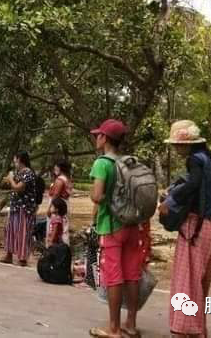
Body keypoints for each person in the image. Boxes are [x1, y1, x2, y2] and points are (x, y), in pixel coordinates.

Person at [158, 120, 211, 338]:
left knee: (187, 279)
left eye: (177, 144)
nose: (175, 149)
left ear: (186, 144)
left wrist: (171, 200)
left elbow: (193, 185)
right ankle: (198, 328)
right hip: (209, 227)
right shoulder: (210, 159)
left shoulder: (194, 160)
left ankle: (184, 329)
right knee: (200, 280)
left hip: (195, 226)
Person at [88, 119, 143, 338]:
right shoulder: (128, 162)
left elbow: (98, 195)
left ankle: (113, 328)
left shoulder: (102, 163)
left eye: (97, 135)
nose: (96, 139)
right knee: (132, 275)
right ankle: (130, 324)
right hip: (132, 225)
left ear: (104, 138)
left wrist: (94, 195)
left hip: (111, 226)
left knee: (114, 276)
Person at [1, 151, 37, 267]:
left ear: (20, 160)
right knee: (10, 229)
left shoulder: (28, 173)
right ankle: (9, 254)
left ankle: (22, 258)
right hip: (15, 206)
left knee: (22, 231)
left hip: (24, 207)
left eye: (15, 160)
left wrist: (11, 179)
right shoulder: (19, 172)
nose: (14, 162)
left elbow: (18, 188)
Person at [47, 159, 73, 246]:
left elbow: (56, 195)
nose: (54, 169)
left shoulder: (60, 180)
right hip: (64, 205)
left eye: (56, 167)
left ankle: (53, 248)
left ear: (60, 168)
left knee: (55, 226)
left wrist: (50, 208)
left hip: (57, 206)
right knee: (64, 228)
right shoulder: (67, 179)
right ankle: (64, 248)